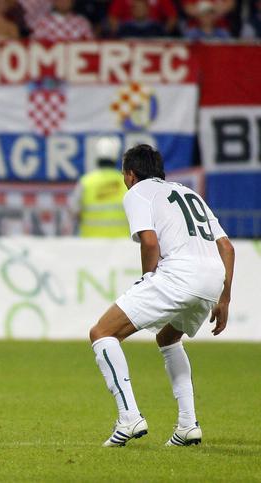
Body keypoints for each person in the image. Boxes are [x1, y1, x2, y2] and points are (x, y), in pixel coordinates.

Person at [88, 144, 235, 447]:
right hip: (212, 279)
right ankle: (187, 425)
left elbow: (150, 242)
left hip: (178, 275)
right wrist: (224, 298)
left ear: (130, 174)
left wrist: (147, 278)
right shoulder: (188, 192)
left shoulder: (138, 192)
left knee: (103, 332)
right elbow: (227, 248)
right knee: (168, 338)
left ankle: (129, 417)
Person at [69, 137, 129, 238]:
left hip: (91, 244)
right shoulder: (127, 182)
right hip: (121, 244)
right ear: (116, 158)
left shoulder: (86, 182)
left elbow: (73, 210)